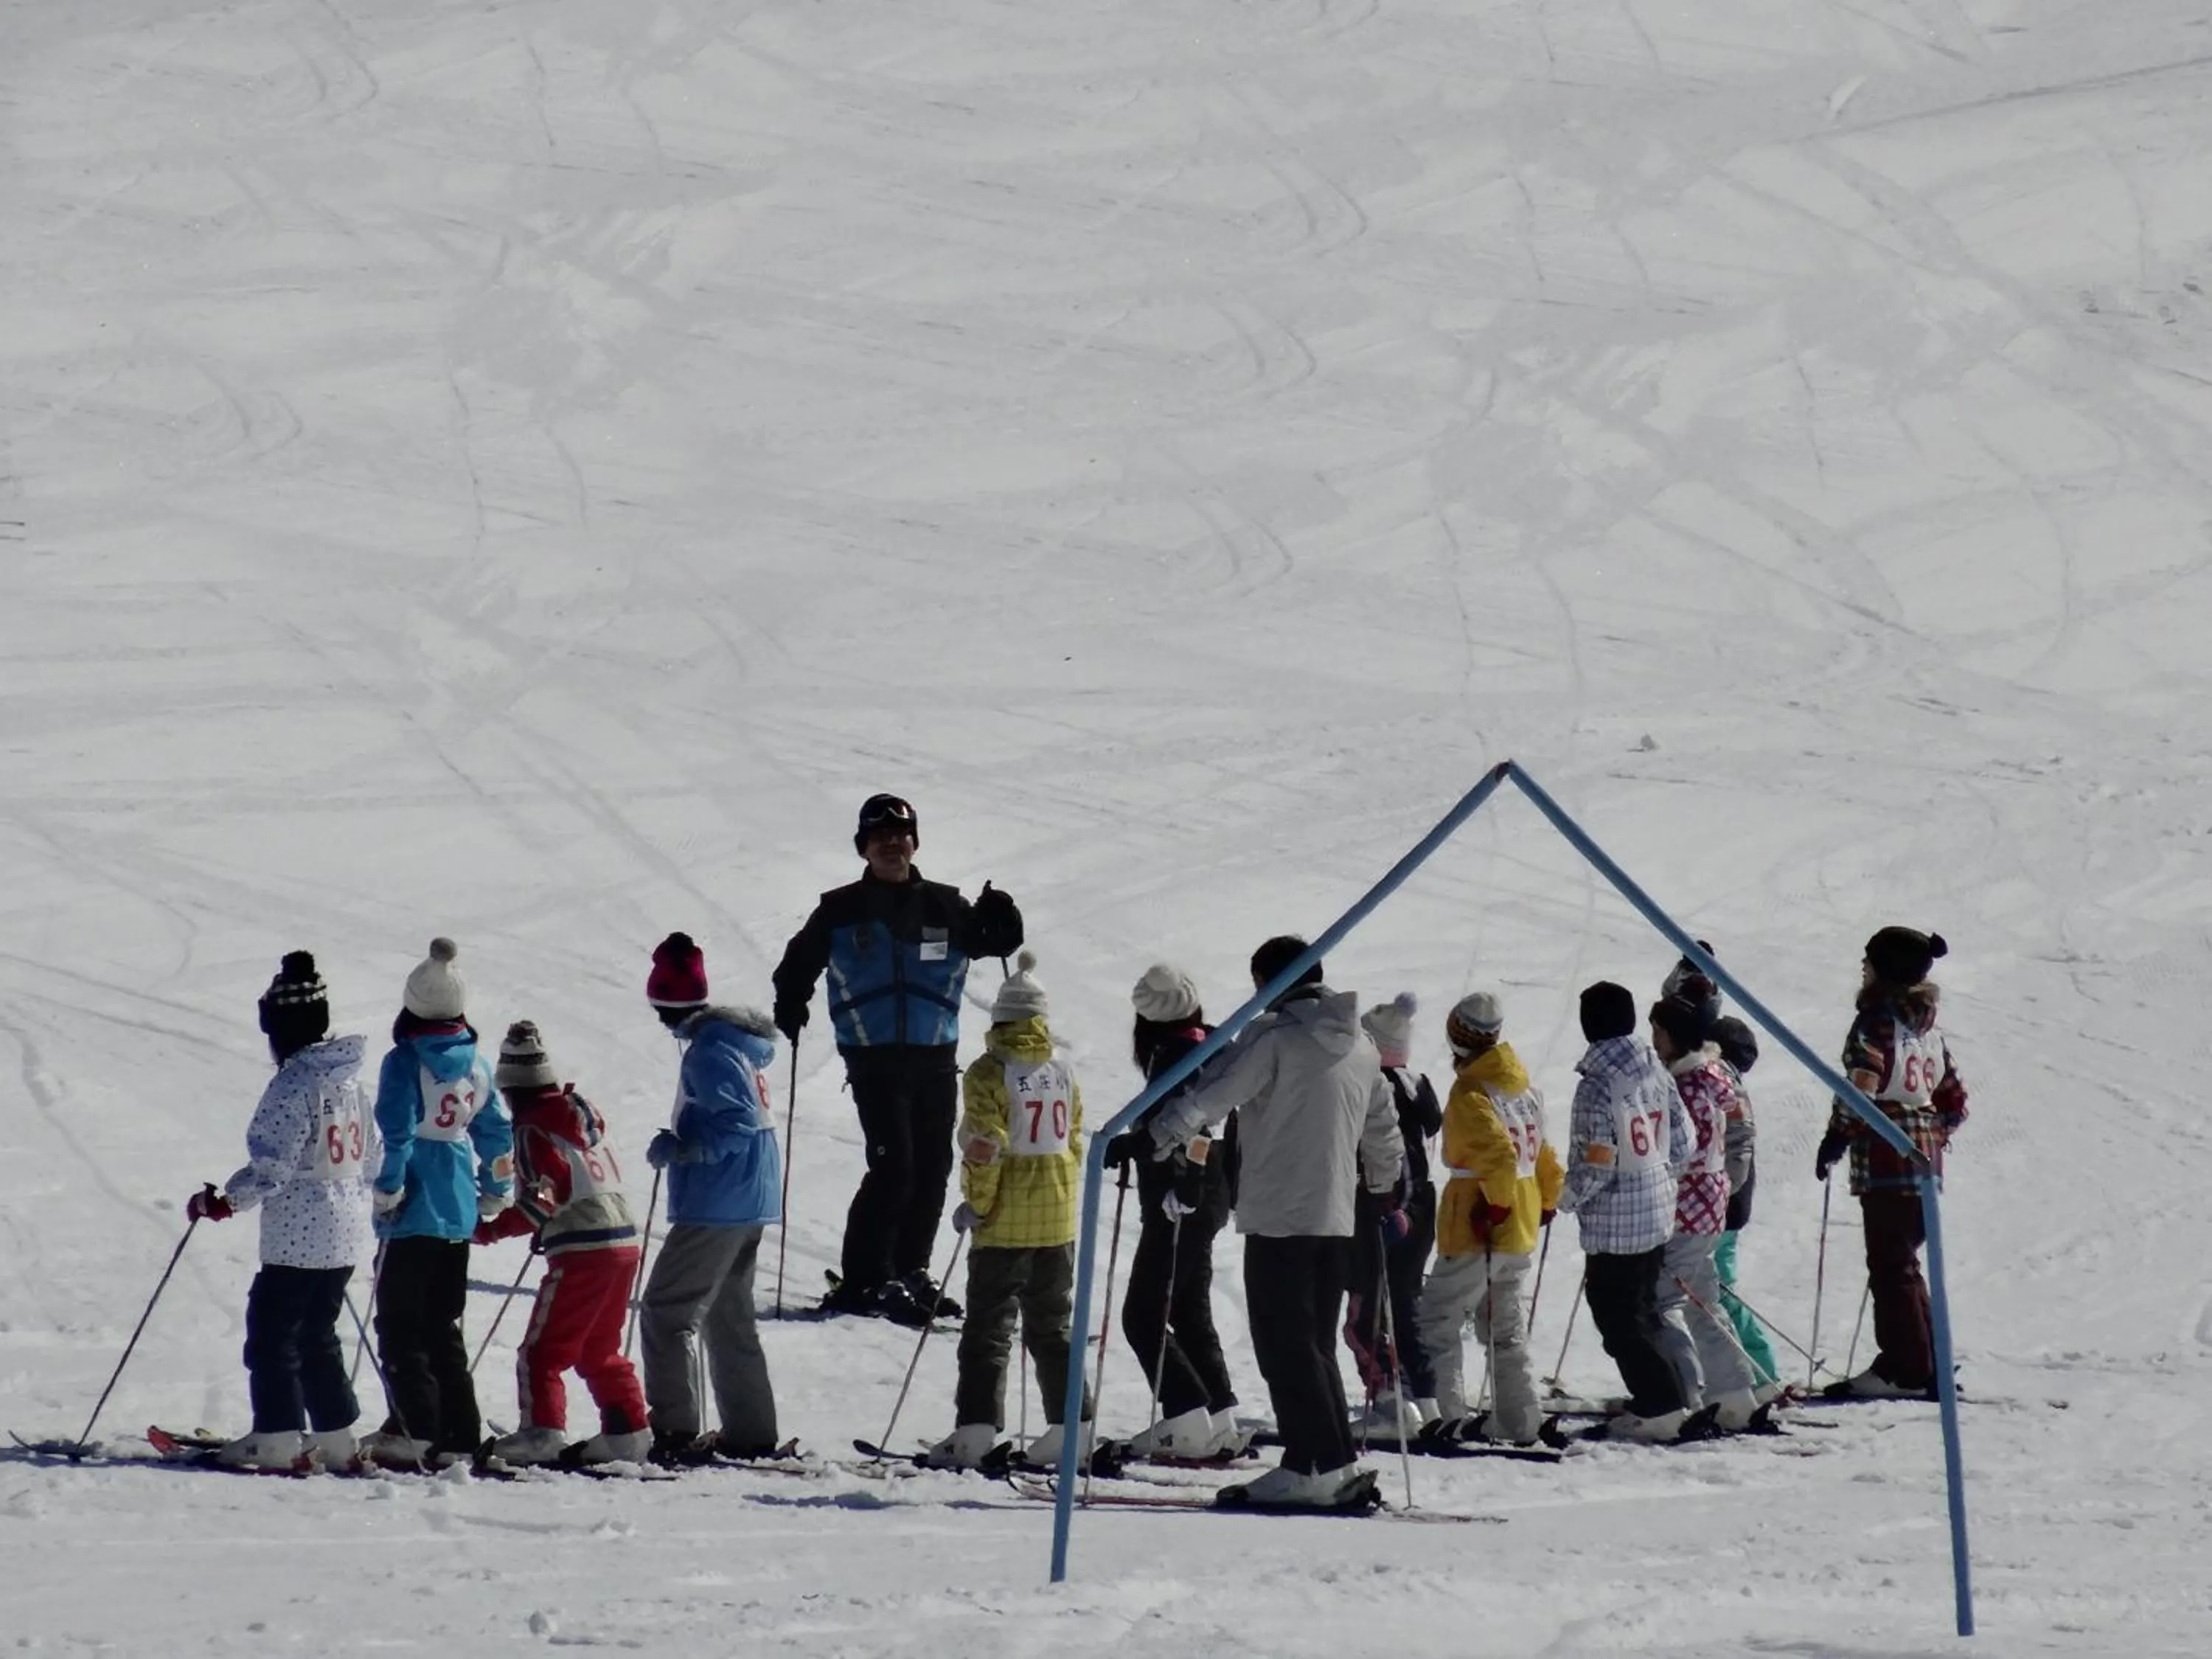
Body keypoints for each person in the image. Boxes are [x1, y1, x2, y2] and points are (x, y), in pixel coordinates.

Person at [1147, 936, 1405, 1510]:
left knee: (1284, 1342)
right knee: (1311, 1342)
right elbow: (1383, 1125)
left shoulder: (1275, 1036)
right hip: (1333, 1214)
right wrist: (1386, 1189)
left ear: (1272, 981)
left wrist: (1156, 1133)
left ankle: (1312, 1465)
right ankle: (1331, 1457)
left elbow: (1217, 1094)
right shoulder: (1360, 1044)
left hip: (1278, 1213)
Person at [771, 794, 1024, 1325]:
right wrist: (790, 1001)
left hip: (935, 1056)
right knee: (894, 1165)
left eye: (900, 835)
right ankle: (866, 1278)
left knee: (933, 1166)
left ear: (914, 842)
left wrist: (1005, 923)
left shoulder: (946, 907)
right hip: (874, 1057)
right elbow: (798, 962)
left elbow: (994, 942)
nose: (891, 844)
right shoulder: (840, 910)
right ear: (863, 847)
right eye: (879, 837)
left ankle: (911, 1270)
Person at [187, 951, 375, 1470]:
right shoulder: (350, 1083)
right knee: (318, 1336)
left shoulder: (294, 1086)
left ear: (281, 1030)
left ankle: (276, 1435)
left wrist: (224, 1200)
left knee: (273, 1334)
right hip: (343, 1234)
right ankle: (336, 1437)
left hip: (297, 1236)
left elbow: (273, 1165)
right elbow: (373, 1157)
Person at [921, 953, 1091, 1470]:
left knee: (989, 1329)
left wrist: (976, 1204)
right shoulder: (1061, 1070)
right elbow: (1076, 1140)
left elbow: (984, 1144)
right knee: (1053, 1327)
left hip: (1005, 1226)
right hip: (1058, 1222)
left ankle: (975, 1432)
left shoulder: (988, 1073)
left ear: (999, 1020)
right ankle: (1073, 1429)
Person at [363, 939, 515, 1469]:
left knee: (400, 1325)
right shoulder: (477, 1064)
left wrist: (388, 1188)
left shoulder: (404, 1061)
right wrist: (498, 1188)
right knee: (442, 1324)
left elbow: (396, 1132)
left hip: (414, 1206)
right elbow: (496, 1130)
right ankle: (459, 1431)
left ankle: (416, 1429)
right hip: (457, 1203)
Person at [637, 933, 785, 1463]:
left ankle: (675, 1430)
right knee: (727, 1312)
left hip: (719, 1201)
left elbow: (738, 1123)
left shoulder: (708, 1052)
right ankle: (751, 1429)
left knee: (665, 1310)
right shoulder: (735, 1044)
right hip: (752, 1197)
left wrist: (685, 1149)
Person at [474, 1021, 649, 1467]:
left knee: (542, 1351)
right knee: (598, 1348)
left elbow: (544, 1199)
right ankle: (628, 1431)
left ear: (514, 1090)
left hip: (583, 1248)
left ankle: (542, 1433)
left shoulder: (532, 1128)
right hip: (623, 1241)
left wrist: (490, 1230)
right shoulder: (578, 1113)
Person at [1815, 927, 1968, 1399]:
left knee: (1891, 1266)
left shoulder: (1878, 1022)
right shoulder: (1926, 1028)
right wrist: (1930, 1132)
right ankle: (1925, 1363)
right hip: (1924, 1163)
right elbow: (1955, 1100)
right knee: (1903, 1264)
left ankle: (1906, 1369)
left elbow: (1861, 1084)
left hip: (1887, 1157)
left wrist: (1836, 1136)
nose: (1863, 967)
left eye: (1870, 960)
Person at [1413, 991, 1563, 1445]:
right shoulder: (1520, 1087)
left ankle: (1447, 1415)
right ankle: (1522, 1419)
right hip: (1520, 1224)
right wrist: (1546, 1201)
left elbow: (1498, 1157)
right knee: (1505, 1329)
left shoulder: (1470, 1093)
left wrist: (1494, 1206)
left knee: (1439, 1319)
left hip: (1478, 1224)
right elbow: (1544, 1156)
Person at [1107, 963, 1241, 1461]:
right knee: (1187, 1308)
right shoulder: (1210, 1044)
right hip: (1208, 1195)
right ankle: (1219, 1415)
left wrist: (1183, 1183)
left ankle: (1187, 1419)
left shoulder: (1180, 1054)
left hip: (1181, 1199)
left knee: (1142, 1314)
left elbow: (1193, 1125)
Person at [1556, 981, 1692, 1441]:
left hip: (1616, 1223)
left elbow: (1597, 1163)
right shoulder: (1655, 1069)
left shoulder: (1597, 1088)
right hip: (1656, 1210)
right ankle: (1668, 1394)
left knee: (1617, 1318)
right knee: (1644, 1309)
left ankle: (1660, 1405)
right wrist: (1658, 1173)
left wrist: (1562, 1198)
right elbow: (1684, 1139)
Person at [1646, 997, 1766, 1430]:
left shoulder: (1689, 1087)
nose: (1654, 1041)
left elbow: (1681, 1152)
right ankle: (1733, 1391)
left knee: (1664, 1300)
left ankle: (1685, 1394)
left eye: (1658, 1032)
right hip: (1710, 1201)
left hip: (1689, 1203)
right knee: (1702, 1296)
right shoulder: (1714, 1076)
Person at [1346, 992, 1442, 1436]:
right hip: (1423, 1204)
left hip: (1386, 1208)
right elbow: (1433, 1125)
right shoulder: (1418, 1084)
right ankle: (1426, 1395)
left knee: (1364, 1312)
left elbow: (1387, 1154)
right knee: (1404, 1302)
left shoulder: (1375, 1087)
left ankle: (1390, 1399)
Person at [1708, 1015, 1781, 1390]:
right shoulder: (1730, 1080)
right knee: (1715, 1286)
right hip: (1728, 1198)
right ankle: (1746, 1369)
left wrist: (1722, 1192)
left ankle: (1760, 1369)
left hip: (1724, 1201)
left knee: (1718, 1288)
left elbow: (1737, 1144)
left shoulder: (1723, 1082)